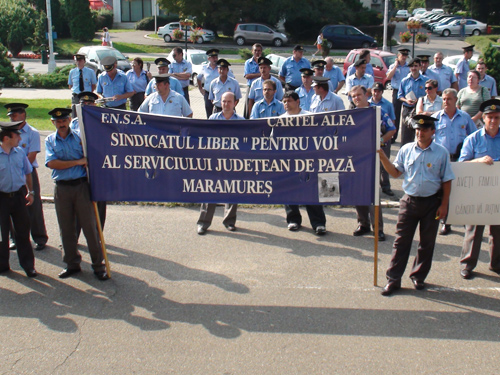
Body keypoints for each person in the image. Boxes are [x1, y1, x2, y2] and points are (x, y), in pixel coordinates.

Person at [378, 114, 454, 296]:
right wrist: (381, 157)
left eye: (425, 129)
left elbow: (447, 180)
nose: (420, 133)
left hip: (431, 203)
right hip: (409, 201)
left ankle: (418, 276)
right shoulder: (406, 149)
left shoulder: (441, 152)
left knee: (426, 243)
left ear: (432, 131)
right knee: (401, 242)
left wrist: (444, 205)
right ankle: (393, 279)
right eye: (418, 129)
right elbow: (396, 173)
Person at [45, 108, 108, 280]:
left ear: (69, 120)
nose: (62, 124)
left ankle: (98, 266)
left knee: (90, 228)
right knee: (66, 229)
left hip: (81, 187)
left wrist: (73, 163)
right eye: (58, 122)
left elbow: (91, 160)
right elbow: (52, 163)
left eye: (64, 121)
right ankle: (72, 264)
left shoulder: (81, 139)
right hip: (62, 188)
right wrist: (78, 162)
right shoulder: (50, 140)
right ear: (53, 123)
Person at [458, 99, 500, 279]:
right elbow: (462, 164)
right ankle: (467, 264)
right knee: (474, 229)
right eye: (489, 117)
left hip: (498, 192)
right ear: (483, 118)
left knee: (498, 230)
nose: (493, 120)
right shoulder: (473, 138)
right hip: (478, 192)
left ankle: (496, 263)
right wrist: (478, 161)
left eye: (496, 117)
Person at [350, 85, 395, 241]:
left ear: (366, 95)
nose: (356, 98)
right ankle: (363, 224)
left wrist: (380, 141)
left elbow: (392, 129)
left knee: (373, 195)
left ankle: (378, 228)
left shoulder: (378, 111)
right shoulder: (351, 115)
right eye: (353, 96)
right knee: (357, 193)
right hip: (355, 159)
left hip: (372, 158)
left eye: (359, 95)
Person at [197, 92, 244, 235]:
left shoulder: (242, 121)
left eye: (229, 101)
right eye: (224, 101)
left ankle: (229, 221)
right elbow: (205, 139)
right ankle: (203, 223)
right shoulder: (212, 119)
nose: (226, 104)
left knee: (232, 190)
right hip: (215, 161)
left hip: (233, 162)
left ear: (235, 103)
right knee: (210, 190)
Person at [280, 91, 326, 235]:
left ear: (298, 101)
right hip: (288, 162)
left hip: (308, 161)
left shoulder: (308, 117)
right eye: (284, 101)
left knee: (311, 191)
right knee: (289, 191)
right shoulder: (280, 120)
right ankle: (293, 220)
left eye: (289, 101)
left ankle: (318, 223)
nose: (286, 104)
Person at [432, 88, 476, 236]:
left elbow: (474, 136)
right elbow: (430, 139)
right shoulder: (436, 117)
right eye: (444, 99)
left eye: (449, 99)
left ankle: (463, 219)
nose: (445, 102)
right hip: (442, 160)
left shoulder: (465, 117)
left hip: (460, 159)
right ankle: (446, 222)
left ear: (455, 100)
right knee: (445, 192)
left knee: (461, 191)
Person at [4, 103, 48, 251]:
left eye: (14, 115)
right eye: (10, 116)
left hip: (27, 172)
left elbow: (31, 155)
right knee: (11, 205)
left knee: (34, 206)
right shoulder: (7, 132)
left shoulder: (32, 132)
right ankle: (14, 238)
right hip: (11, 173)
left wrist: (21, 168)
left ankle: (39, 237)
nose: (12, 118)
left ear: (23, 115)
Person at [0, 120, 37, 277]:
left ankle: (28, 266)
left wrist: (31, 192)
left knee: (23, 232)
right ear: (7, 138)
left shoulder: (20, 152)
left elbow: (28, 172)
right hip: (1, 198)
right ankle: (3, 265)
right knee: (2, 234)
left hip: (18, 196)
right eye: (17, 136)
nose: (20, 139)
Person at [68, 92, 108, 235]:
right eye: (83, 104)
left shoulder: (102, 122)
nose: (86, 106)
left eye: (90, 103)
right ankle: (74, 236)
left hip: (98, 168)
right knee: (78, 204)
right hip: (81, 168)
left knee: (99, 204)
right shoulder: (74, 123)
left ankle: (98, 236)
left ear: (94, 105)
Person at [369, 83, 397, 196]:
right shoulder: (367, 103)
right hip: (370, 139)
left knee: (385, 163)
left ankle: (386, 186)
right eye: (374, 91)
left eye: (378, 91)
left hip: (384, 137)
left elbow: (392, 122)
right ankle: (371, 187)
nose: (376, 93)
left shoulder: (388, 105)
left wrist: (384, 139)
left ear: (382, 92)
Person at [398, 58, 428, 146]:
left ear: (420, 67)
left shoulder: (425, 80)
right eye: (411, 66)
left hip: (420, 110)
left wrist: (420, 101)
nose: (413, 68)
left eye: (415, 66)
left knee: (421, 132)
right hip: (407, 109)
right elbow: (399, 96)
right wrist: (406, 100)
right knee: (406, 135)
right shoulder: (404, 81)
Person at [386, 47, 410, 142]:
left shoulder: (409, 66)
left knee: (407, 113)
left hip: (407, 92)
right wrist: (396, 66)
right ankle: (393, 136)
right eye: (402, 55)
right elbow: (388, 76)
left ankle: (406, 136)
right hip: (396, 91)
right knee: (395, 114)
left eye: (405, 55)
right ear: (398, 56)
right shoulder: (393, 66)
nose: (403, 57)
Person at [243, 44, 263, 118]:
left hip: (261, 87)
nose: (257, 52)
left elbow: (266, 74)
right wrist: (260, 74)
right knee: (248, 107)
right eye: (255, 50)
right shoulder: (248, 62)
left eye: (259, 51)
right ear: (252, 51)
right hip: (251, 86)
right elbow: (247, 76)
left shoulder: (264, 62)